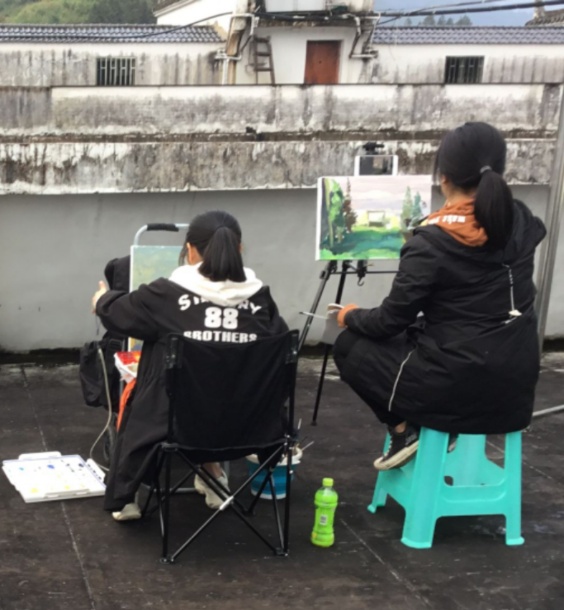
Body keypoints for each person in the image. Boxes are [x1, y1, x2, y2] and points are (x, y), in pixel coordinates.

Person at [333, 122, 546, 471]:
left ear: (443, 177)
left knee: (348, 345)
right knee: (422, 331)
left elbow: (388, 322)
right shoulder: (521, 219)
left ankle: (405, 430)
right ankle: (430, 432)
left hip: (457, 388)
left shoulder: (431, 242)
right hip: (517, 386)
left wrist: (349, 315)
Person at [92, 211, 288, 520]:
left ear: (190, 251)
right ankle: (214, 476)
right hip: (249, 429)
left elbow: (116, 313)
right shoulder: (262, 301)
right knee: (216, 382)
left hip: (173, 428)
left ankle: (126, 495)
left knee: (138, 389)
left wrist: (101, 299)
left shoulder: (166, 295)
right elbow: (279, 350)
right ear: (239, 249)